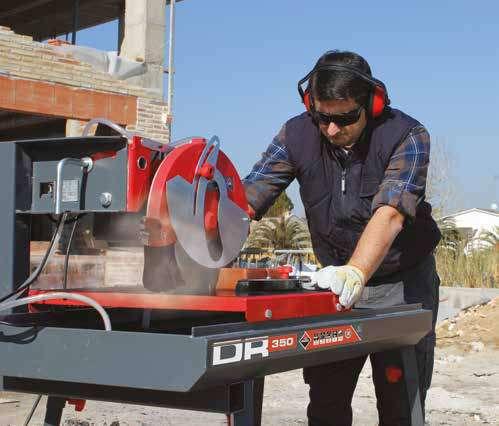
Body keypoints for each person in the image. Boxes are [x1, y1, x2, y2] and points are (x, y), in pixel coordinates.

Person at [243, 50, 441, 425]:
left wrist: (356, 271)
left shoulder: (407, 135)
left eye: (345, 118)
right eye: (323, 117)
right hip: (334, 287)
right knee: (326, 402)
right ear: (311, 105)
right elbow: (250, 195)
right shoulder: (296, 134)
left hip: (401, 284)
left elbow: (391, 212)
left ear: (372, 105)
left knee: (401, 402)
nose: (332, 130)